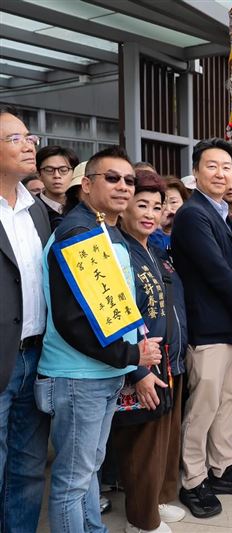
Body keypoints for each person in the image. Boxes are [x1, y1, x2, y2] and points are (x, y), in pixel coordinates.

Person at [37, 145, 163, 531]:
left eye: (129, 180)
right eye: (112, 178)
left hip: (103, 372)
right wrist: (131, 355)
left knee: (89, 469)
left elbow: (119, 307)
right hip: (79, 376)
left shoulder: (106, 230)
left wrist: (131, 357)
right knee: (73, 480)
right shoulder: (79, 232)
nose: (123, 186)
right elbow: (74, 321)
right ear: (87, 185)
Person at [171, 139, 232, 518]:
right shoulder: (193, 215)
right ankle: (193, 479)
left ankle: (222, 467)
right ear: (196, 172)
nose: (221, 174)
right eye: (212, 166)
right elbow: (217, 273)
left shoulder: (221, 213)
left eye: (227, 167)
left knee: (229, 402)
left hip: (229, 327)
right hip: (208, 329)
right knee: (203, 407)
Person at [115, 170, 188, 533]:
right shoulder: (120, 251)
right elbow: (119, 317)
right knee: (143, 443)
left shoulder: (155, 250)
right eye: (141, 204)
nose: (149, 214)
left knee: (163, 440)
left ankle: (156, 501)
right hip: (142, 361)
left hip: (168, 358)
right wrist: (139, 371)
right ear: (124, 206)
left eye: (156, 207)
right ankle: (141, 520)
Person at [0, 105, 51, 532]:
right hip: (1, 360)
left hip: (37, 356)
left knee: (29, 468)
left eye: (28, 137)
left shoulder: (36, 209)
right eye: (14, 139)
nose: (28, 145)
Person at [37, 144, 79, 226]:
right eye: (49, 170)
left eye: (63, 170)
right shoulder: (31, 208)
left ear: (74, 173)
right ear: (39, 175)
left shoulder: (82, 206)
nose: (57, 175)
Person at [150, 176, 189, 251]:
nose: (168, 208)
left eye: (173, 202)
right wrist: (158, 226)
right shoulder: (151, 234)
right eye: (163, 203)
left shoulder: (193, 229)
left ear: (184, 202)